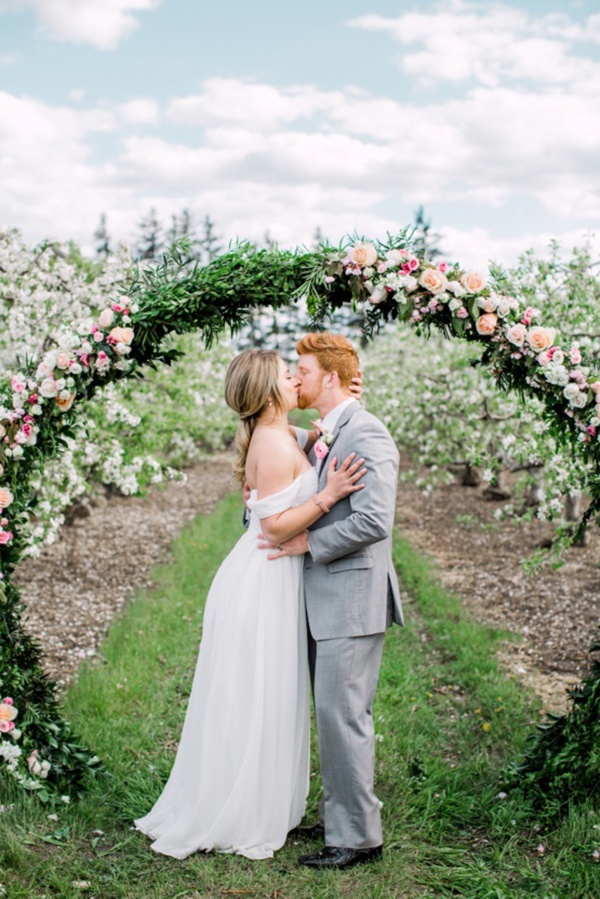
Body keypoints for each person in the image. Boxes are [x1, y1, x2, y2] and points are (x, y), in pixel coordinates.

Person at [134, 348, 366, 860]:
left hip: (271, 576)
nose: (294, 379)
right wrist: (328, 497)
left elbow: (321, 439)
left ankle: (260, 797)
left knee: (268, 691)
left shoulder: (284, 435)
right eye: (287, 375)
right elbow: (275, 526)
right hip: (262, 578)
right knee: (255, 693)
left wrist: (345, 400)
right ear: (267, 394)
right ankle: (238, 806)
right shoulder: (273, 444)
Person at [260, 332, 403, 870]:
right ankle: (341, 813)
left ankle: (358, 838)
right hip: (329, 594)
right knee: (331, 712)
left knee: (344, 715)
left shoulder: (366, 434)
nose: (295, 378)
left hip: (352, 594)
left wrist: (308, 543)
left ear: (331, 378)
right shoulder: (330, 431)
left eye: (302, 370)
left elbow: (373, 520)